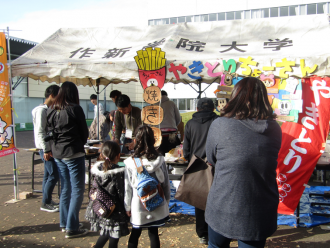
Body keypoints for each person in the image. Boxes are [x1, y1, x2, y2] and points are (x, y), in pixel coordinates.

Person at [205, 77, 282, 248]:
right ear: (263, 99)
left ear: (235, 98)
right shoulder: (274, 128)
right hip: (260, 207)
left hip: (223, 202)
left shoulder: (220, 125)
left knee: (216, 245)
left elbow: (211, 159)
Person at [47, 81, 89, 239]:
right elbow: (84, 132)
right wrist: (81, 142)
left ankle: (64, 223)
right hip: (73, 152)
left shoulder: (51, 109)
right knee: (77, 190)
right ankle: (72, 227)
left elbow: (48, 132)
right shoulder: (74, 108)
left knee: (65, 188)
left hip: (58, 153)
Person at [124, 125, 171, 248]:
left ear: (135, 141)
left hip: (138, 205)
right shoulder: (159, 160)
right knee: (154, 233)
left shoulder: (132, 162)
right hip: (157, 202)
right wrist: (166, 201)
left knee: (135, 234)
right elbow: (166, 183)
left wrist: (127, 206)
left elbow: (127, 187)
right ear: (153, 140)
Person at [182, 97, 219, 244]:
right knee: (216, 199)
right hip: (216, 166)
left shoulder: (190, 123)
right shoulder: (218, 122)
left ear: (197, 109)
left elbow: (186, 150)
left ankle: (202, 234)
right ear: (213, 109)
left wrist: (188, 158)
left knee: (199, 201)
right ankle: (215, 232)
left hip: (196, 165)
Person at [85, 141, 130, 248]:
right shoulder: (118, 173)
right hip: (115, 212)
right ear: (118, 156)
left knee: (105, 234)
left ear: (101, 154)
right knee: (113, 240)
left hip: (101, 209)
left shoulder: (96, 170)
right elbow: (121, 194)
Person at [32, 85, 60, 213]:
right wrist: (47, 150)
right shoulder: (42, 110)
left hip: (46, 147)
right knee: (53, 174)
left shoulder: (45, 109)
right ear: (52, 95)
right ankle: (45, 202)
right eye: (58, 97)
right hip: (45, 147)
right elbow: (40, 132)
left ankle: (47, 199)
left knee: (48, 174)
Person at [156, 90, 181, 155]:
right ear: (166, 96)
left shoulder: (155, 104)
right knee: (172, 154)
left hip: (159, 133)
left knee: (161, 154)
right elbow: (178, 118)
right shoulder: (172, 103)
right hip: (171, 133)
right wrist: (174, 125)